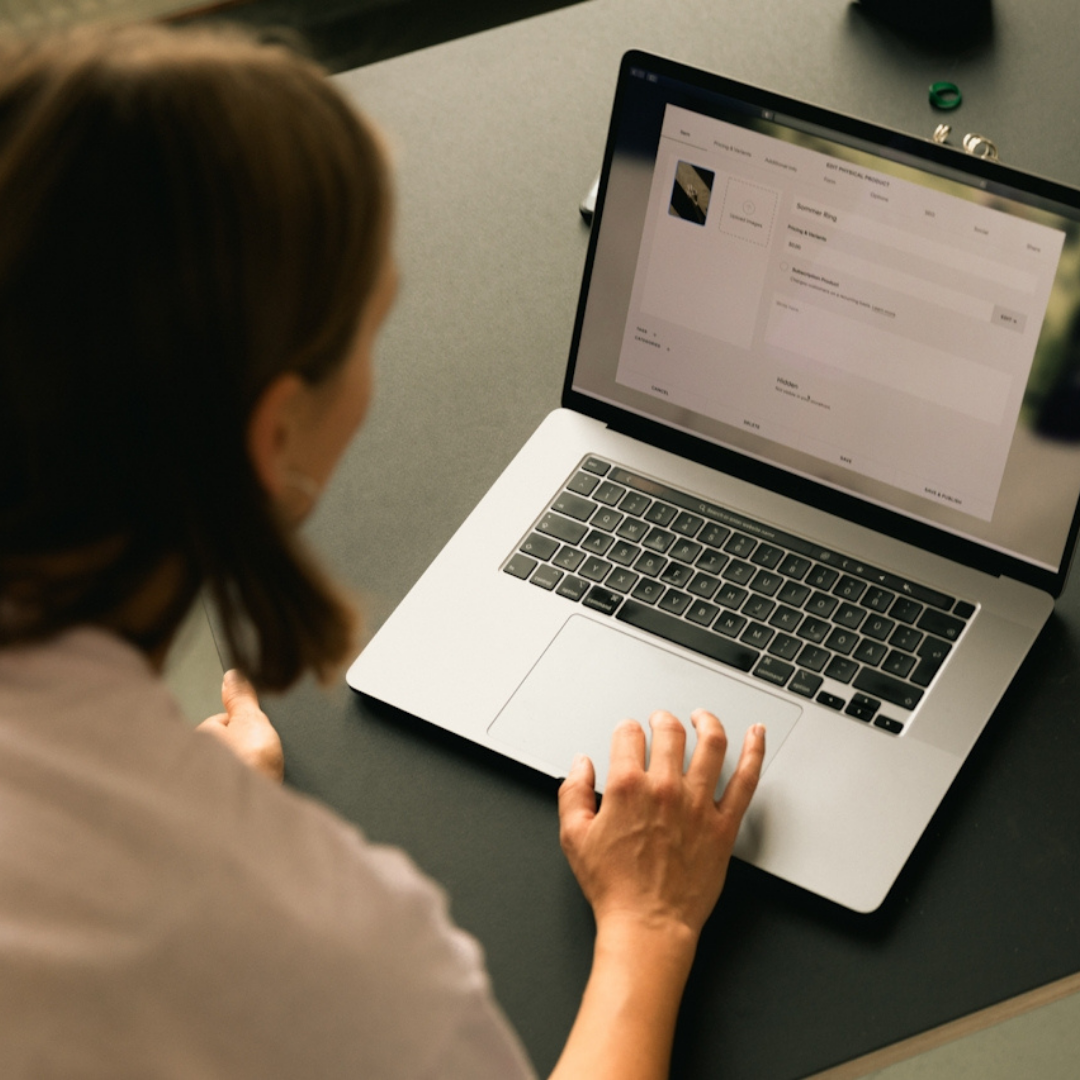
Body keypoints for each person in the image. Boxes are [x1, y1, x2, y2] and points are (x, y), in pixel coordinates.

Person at [0, 22, 766, 1079]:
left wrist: (177, 814)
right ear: (273, 439)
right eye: (373, 326)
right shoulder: (344, 950)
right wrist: (652, 927)